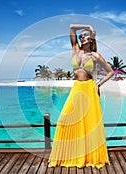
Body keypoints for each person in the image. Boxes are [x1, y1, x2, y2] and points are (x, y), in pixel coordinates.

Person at [48, 24, 114, 169]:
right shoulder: (75, 50)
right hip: (77, 88)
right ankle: (60, 156)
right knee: (64, 120)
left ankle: (88, 157)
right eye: (81, 36)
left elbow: (111, 72)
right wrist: (88, 26)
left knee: (88, 124)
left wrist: (98, 84)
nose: (82, 37)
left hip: (89, 89)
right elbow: (71, 28)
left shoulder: (95, 56)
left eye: (85, 35)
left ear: (91, 39)